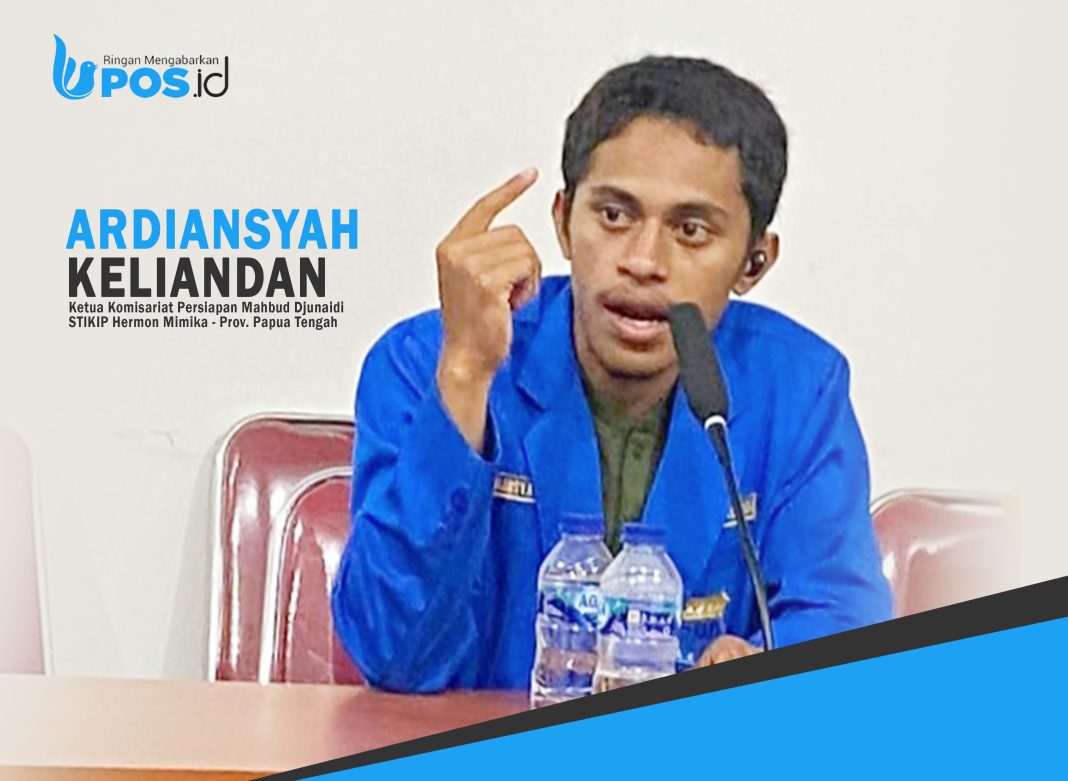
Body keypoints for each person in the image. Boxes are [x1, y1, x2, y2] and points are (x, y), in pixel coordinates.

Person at [331, 55, 892, 692]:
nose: (643, 261)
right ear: (563, 223)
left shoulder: (797, 388)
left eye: (691, 230)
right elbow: (390, 654)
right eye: (614, 216)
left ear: (754, 262)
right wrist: (465, 372)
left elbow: (845, 629)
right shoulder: (427, 361)